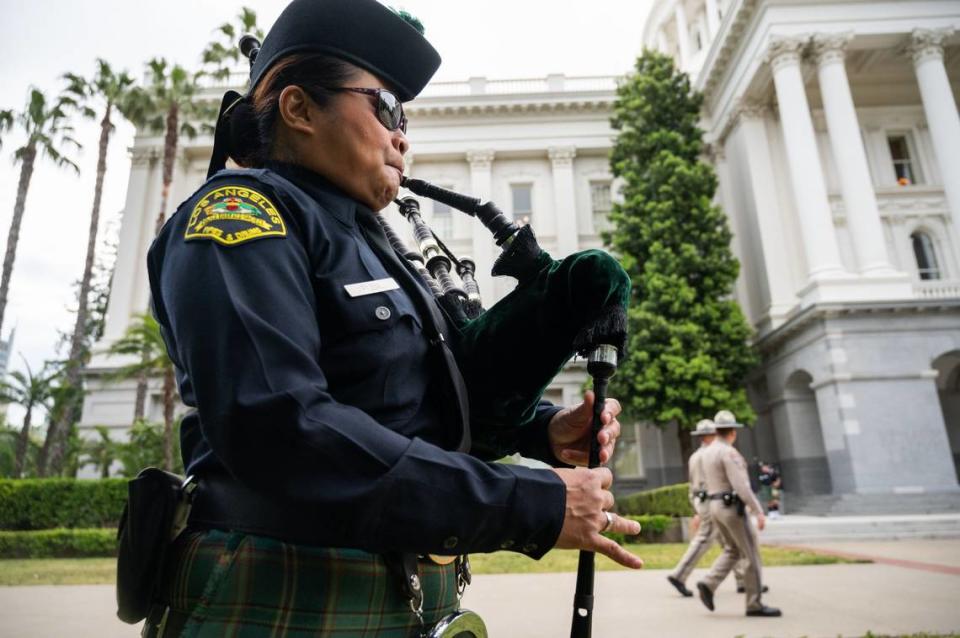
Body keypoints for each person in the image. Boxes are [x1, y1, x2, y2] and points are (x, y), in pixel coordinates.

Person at [142, 0, 642, 635]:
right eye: (384, 108)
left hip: (405, 595)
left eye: (404, 116)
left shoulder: (376, 242)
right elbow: (280, 425)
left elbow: (417, 393)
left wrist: (542, 433)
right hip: (288, 592)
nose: (402, 134)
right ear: (297, 109)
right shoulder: (241, 214)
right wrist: (529, 502)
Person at [695, 411, 781, 617]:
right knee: (751, 554)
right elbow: (742, 486)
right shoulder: (729, 453)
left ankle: (709, 583)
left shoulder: (707, 452)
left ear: (716, 430)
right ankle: (754, 603)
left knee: (733, 550)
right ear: (733, 432)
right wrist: (758, 510)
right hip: (731, 507)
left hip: (715, 506)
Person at [666, 419, 750, 598]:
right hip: (712, 501)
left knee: (730, 543)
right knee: (705, 539)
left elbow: (691, 485)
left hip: (702, 500)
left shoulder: (696, 456)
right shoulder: (710, 455)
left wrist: (696, 506)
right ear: (709, 436)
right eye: (714, 434)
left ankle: (743, 580)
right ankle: (679, 575)